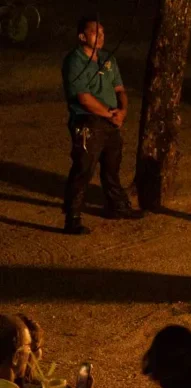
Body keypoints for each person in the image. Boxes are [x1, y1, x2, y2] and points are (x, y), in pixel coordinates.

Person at [60, 17, 143, 235]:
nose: (101, 37)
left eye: (103, 32)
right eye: (95, 32)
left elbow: (120, 90)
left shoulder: (108, 58)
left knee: (111, 167)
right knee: (83, 169)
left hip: (110, 119)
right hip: (88, 120)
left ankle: (117, 206)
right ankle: (73, 217)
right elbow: (83, 98)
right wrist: (110, 114)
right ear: (82, 36)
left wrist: (122, 112)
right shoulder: (74, 61)